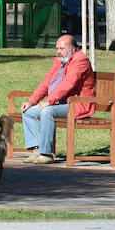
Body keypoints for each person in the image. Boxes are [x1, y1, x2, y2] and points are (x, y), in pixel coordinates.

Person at [19, 33, 96, 164]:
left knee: (47, 111)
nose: (58, 52)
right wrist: (32, 101)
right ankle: (37, 149)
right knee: (29, 112)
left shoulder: (80, 60)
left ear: (72, 49)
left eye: (62, 48)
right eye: (57, 49)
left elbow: (68, 83)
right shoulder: (59, 61)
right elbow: (47, 82)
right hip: (62, 103)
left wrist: (50, 101)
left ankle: (46, 154)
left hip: (78, 104)